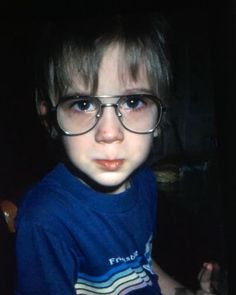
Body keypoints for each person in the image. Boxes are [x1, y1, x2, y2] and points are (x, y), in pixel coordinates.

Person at [14, 13, 218, 295]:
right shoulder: (46, 221)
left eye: (133, 101)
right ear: (50, 117)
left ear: (160, 116)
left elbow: (140, 270)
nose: (109, 133)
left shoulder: (144, 181)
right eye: (83, 103)